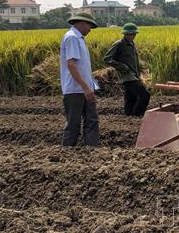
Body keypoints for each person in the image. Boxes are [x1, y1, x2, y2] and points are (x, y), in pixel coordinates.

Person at [60, 12, 100, 147]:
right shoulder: (72, 38)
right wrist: (85, 87)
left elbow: (81, 66)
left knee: (92, 119)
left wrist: (89, 86)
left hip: (85, 87)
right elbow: (71, 64)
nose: (90, 29)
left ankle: (92, 150)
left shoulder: (80, 38)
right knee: (73, 123)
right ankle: (67, 152)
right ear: (83, 23)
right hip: (75, 89)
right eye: (89, 26)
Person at [103, 22, 150, 117]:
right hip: (127, 76)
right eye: (128, 34)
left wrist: (139, 73)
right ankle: (137, 115)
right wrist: (121, 66)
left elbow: (134, 61)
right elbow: (107, 59)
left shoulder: (132, 44)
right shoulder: (119, 44)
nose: (130, 36)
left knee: (131, 97)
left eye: (132, 34)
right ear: (124, 34)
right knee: (145, 95)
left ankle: (128, 116)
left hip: (134, 75)